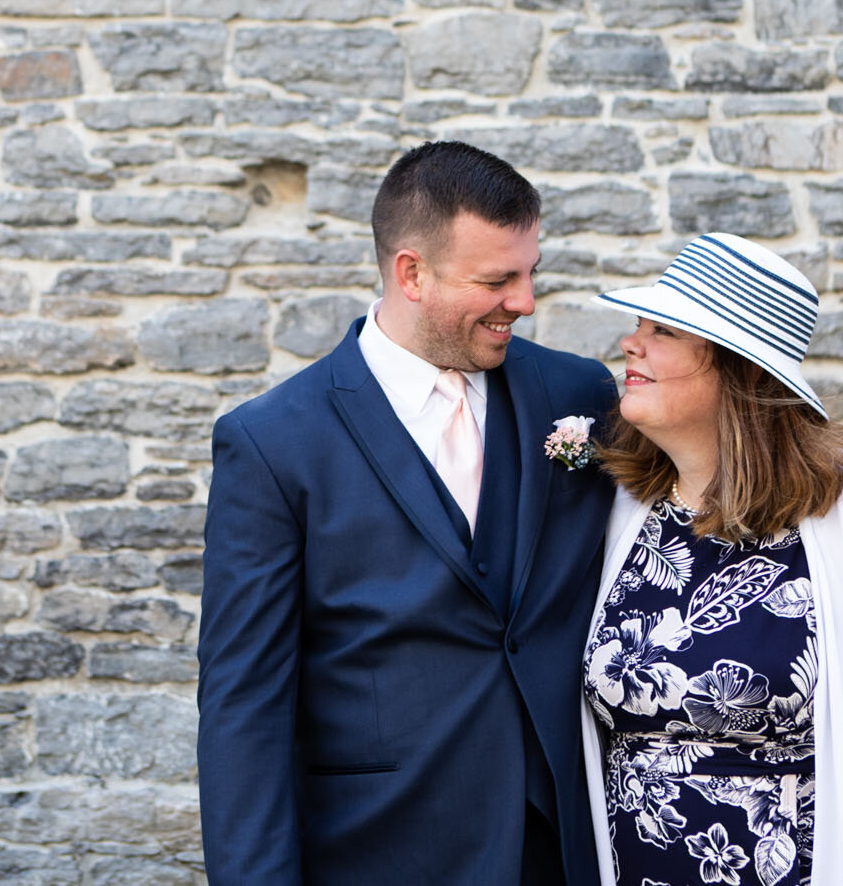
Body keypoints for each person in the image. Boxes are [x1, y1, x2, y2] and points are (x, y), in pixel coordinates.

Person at [198, 140, 622, 886]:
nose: (524, 302)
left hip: (565, 849)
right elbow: (245, 706)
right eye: (497, 279)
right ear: (411, 273)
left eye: (530, 274)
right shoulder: (273, 444)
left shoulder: (578, 394)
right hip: (383, 850)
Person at [580, 234, 843, 886]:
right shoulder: (628, 505)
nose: (632, 341)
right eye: (638, 324)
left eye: (663, 330)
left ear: (736, 365)